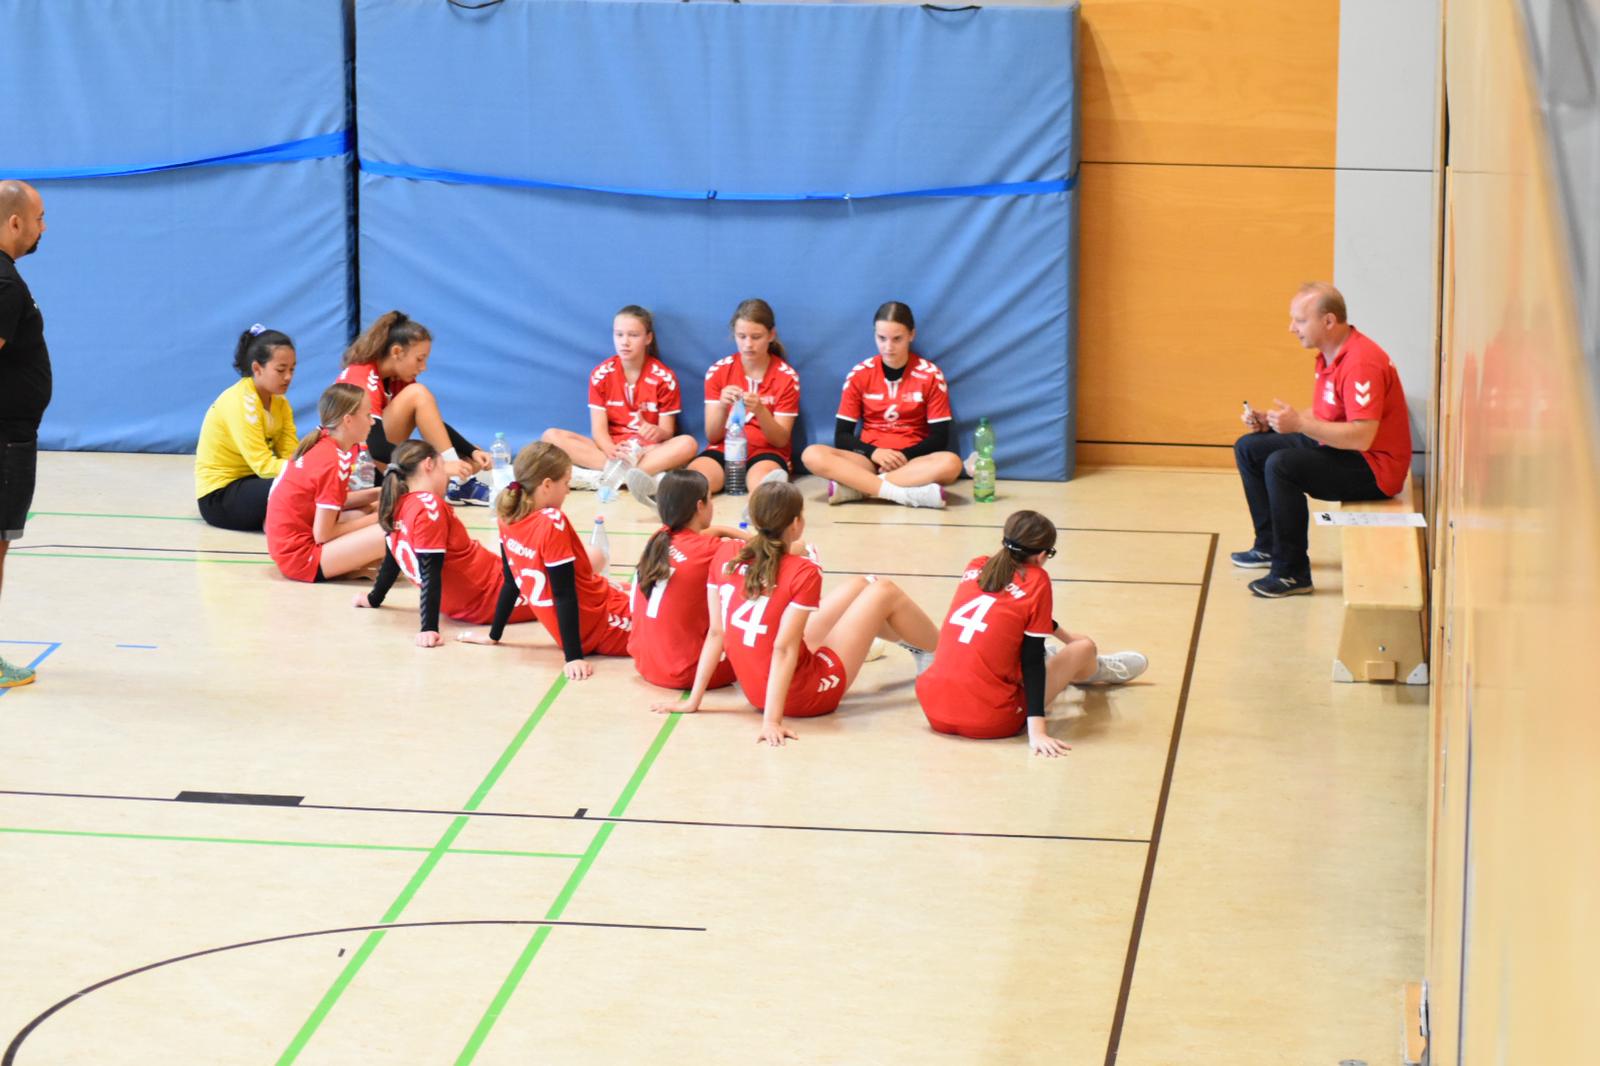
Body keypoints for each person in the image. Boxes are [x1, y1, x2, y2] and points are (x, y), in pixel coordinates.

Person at [655, 480, 939, 746]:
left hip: (756, 690)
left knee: (863, 584)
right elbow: (784, 649)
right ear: (796, 524)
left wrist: (694, 701)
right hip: (804, 695)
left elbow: (717, 633)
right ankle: (945, 655)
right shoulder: (804, 570)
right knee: (883, 589)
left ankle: (915, 646)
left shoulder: (726, 554)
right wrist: (771, 721)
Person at [915, 510, 1148, 755]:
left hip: (933, 709)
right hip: (991, 721)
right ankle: (1092, 670)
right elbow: (1032, 660)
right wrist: (1037, 729)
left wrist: (1064, 635)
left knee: (1015, 647)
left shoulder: (977, 565)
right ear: (1042, 555)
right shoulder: (1037, 579)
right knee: (1084, 647)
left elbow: (1014, 611)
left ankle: (1069, 664)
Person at [1234, 283, 1413, 597]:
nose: (1292, 328)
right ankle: (1268, 546)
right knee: (1250, 448)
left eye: (1300, 320)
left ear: (1328, 321)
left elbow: (1362, 436)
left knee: (1281, 465)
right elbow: (1324, 416)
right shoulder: (1330, 356)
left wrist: (1300, 424)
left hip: (1375, 469)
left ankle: (1292, 573)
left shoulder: (1361, 362)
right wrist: (1275, 424)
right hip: (1344, 450)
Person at [459, 442, 632, 679]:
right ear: (547, 485)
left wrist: (494, 635)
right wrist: (573, 657)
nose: (568, 491)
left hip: (599, 601)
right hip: (599, 624)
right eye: (566, 483)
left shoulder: (506, 515)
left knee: (649, 591)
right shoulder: (551, 521)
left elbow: (511, 582)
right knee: (677, 619)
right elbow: (564, 594)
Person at [355, 440, 537, 646]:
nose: (447, 478)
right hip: (490, 595)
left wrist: (374, 598)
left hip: (486, 587)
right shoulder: (428, 506)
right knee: (566, 592)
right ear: (428, 465)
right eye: (443, 469)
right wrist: (429, 628)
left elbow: (393, 557)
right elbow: (430, 571)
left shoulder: (396, 502)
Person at [800, 302, 960, 509]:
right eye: (881, 338)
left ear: (912, 335)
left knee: (951, 463)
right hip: (866, 460)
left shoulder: (930, 374)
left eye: (897, 339)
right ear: (874, 334)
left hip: (911, 463)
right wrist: (874, 452)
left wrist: (904, 455)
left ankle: (858, 488)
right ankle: (901, 493)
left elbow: (939, 438)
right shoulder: (859, 374)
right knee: (811, 454)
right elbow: (841, 437)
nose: (888, 347)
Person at [539, 305, 698, 501]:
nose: (625, 342)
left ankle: (606, 477)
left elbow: (667, 432)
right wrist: (610, 449)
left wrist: (656, 432)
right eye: (619, 334)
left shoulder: (664, 377)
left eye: (633, 335)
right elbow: (599, 432)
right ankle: (634, 477)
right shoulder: (601, 374)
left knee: (688, 444)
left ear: (648, 338)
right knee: (551, 436)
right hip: (613, 450)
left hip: (647, 451)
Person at [335, 310, 492, 504]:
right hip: (357, 475)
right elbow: (375, 448)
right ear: (397, 352)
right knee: (419, 394)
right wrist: (437, 466)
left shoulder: (395, 379)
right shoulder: (361, 377)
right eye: (420, 359)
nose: (424, 367)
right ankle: (456, 482)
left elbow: (432, 423)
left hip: (375, 463)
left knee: (470, 459)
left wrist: (470, 451)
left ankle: (455, 482)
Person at [628, 469, 750, 690]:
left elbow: (700, 537)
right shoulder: (712, 550)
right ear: (699, 506)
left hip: (646, 664)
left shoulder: (659, 537)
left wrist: (722, 529)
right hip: (685, 673)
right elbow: (773, 550)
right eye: (710, 500)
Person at [0, 180, 49, 689]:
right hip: (5, 442)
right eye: (38, 217)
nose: (42, 228)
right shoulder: (6, 283)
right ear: (15, 222)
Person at [264, 383, 385, 582]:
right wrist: (380, 519)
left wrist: (379, 493)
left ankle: (360, 564)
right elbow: (323, 535)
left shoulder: (324, 442)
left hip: (288, 548)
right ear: (348, 420)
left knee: (371, 509)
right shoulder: (332, 461)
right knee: (391, 527)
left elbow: (333, 501)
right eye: (367, 416)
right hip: (301, 559)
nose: (372, 422)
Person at [687, 298, 800, 497]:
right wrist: (722, 405)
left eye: (756, 337)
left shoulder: (786, 376)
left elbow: (781, 440)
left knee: (763, 488)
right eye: (742, 336)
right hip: (725, 447)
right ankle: (661, 488)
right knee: (695, 483)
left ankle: (767, 508)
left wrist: (760, 410)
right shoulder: (719, 370)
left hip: (767, 452)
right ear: (734, 335)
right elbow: (712, 436)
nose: (748, 344)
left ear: (771, 335)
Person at [194, 325, 299, 531]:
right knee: (296, 487)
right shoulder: (241, 402)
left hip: (254, 482)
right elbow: (262, 465)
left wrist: (308, 467)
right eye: (280, 370)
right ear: (257, 368)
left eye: (292, 369)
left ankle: (278, 520)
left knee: (304, 485)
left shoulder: (280, 403)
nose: (288, 377)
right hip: (219, 496)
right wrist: (309, 472)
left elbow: (290, 453)